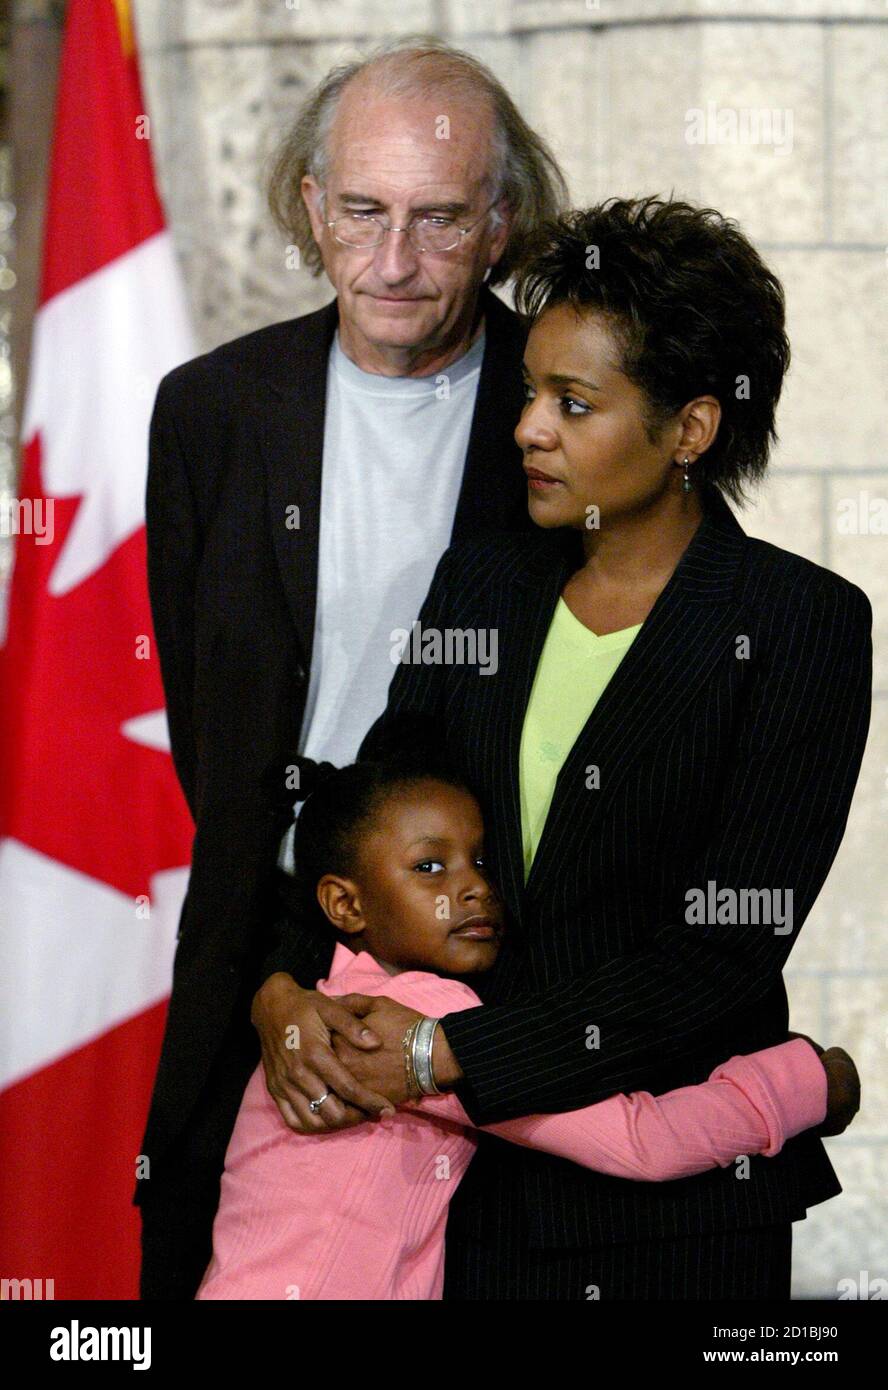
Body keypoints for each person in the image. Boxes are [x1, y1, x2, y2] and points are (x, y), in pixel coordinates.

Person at [253, 197, 872, 1300]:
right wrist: (281, 991)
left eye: (572, 403)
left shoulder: (799, 624)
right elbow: (369, 818)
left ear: (689, 429)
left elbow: (721, 952)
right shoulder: (480, 584)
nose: (528, 428)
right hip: (460, 1199)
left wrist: (447, 1058)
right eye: (531, 391)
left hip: (676, 1221)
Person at [136, 36, 568, 1299]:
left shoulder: (571, 408)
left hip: (509, 979)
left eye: (437, 222)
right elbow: (212, 737)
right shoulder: (211, 410)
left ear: (501, 224)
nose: (391, 263)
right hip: (265, 960)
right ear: (312, 208)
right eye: (364, 212)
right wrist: (276, 980)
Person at [198, 754, 854, 1301]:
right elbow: (643, 1139)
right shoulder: (406, 1016)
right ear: (345, 903)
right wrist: (809, 1081)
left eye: (483, 862)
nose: (475, 889)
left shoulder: (326, 1005)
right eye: (430, 867)